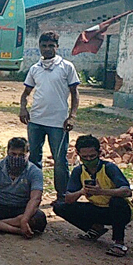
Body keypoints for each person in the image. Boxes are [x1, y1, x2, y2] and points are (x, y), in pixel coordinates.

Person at [20, 31, 79, 200]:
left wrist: (72, 116)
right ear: (39, 47)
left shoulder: (66, 67)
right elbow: (25, 93)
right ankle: (33, 194)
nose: (47, 49)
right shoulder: (34, 68)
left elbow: (75, 93)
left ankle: (62, 196)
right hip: (36, 121)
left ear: (57, 47)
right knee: (34, 159)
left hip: (58, 123)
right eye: (44, 46)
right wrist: (23, 109)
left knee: (60, 161)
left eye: (51, 46)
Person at [55, 135, 133, 257]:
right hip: (97, 209)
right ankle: (95, 228)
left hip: (118, 211)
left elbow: (127, 191)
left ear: (99, 153)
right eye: (84, 157)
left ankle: (119, 242)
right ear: (78, 155)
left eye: (92, 156)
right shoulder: (78, 171)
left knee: (117, 202)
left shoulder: (109, 168)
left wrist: (102, 191)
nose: (89, 160)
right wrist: (82, 192)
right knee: (59, 206)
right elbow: (68, 198)